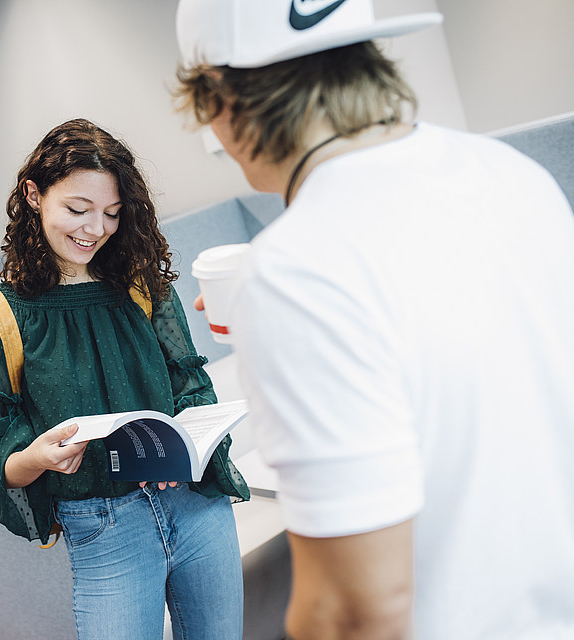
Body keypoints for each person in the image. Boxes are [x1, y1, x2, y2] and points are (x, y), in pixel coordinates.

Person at [174, 0, 574, 638]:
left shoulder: (298, 271)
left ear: (223, 99)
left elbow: (356, 610)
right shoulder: (513, 176)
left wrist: (284, 302)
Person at [0, 118, 250, 640]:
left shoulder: (143, 288)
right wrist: (36, 458)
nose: (95, 228)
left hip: (195, 507)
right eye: (77, 209)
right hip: (104, 527)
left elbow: (191, 388)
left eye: (112, 214)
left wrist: (188, 446)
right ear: (33, 195)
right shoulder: (1, 321)